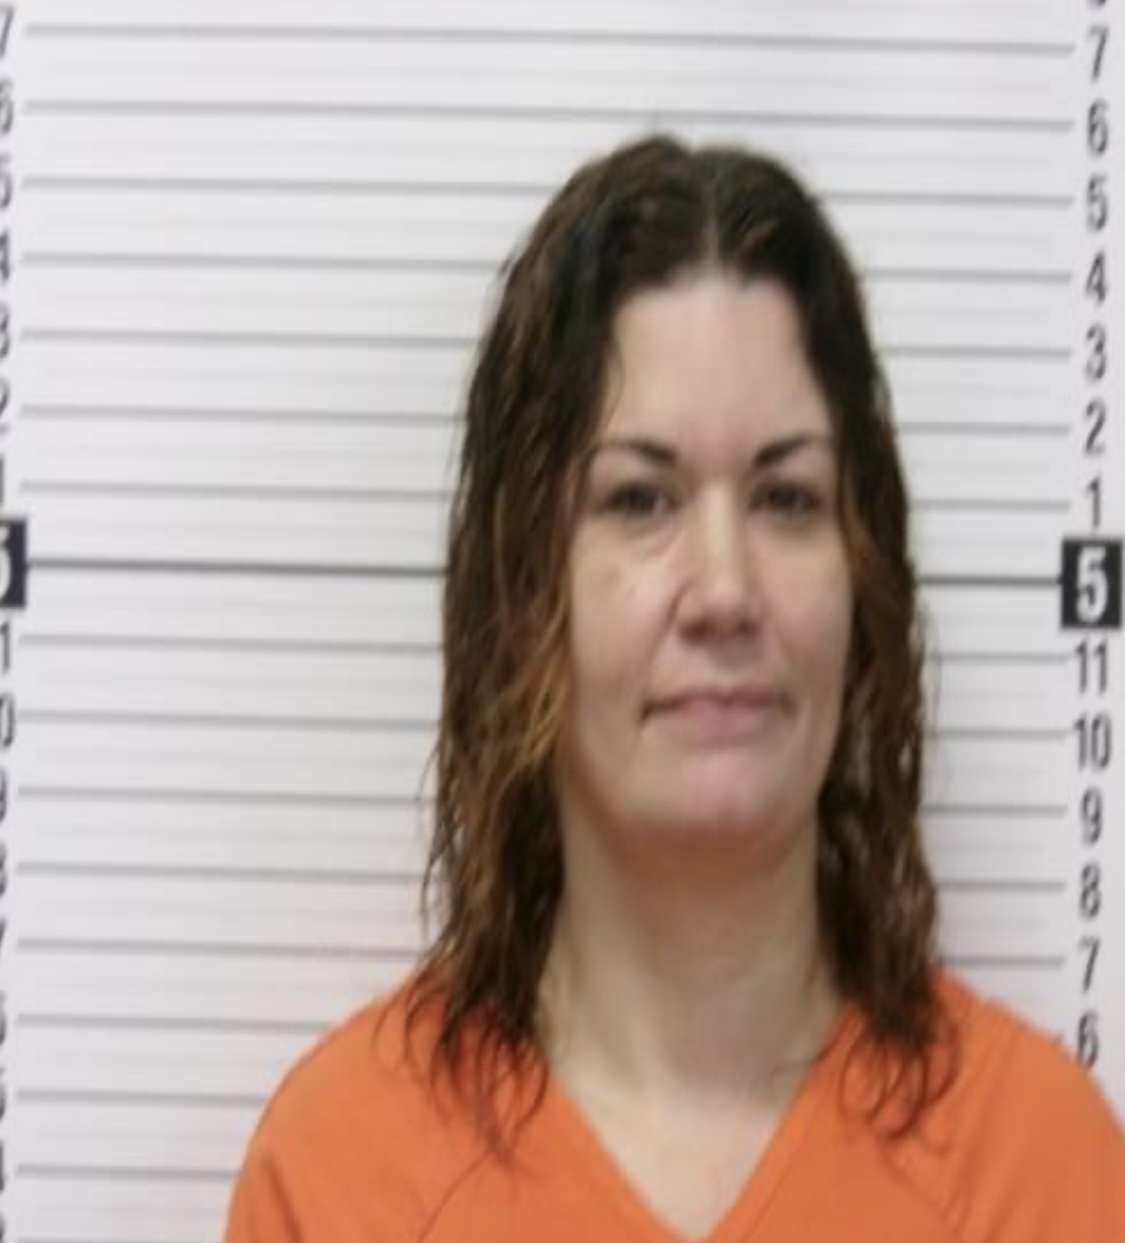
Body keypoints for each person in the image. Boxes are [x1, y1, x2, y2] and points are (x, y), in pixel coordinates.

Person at [221, 135, 1125, 1242]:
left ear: (863, 576)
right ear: (522, 582)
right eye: (640, 499)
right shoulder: (340, 1175)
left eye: (787, 498)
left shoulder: (1041, 1168)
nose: (724, 590)